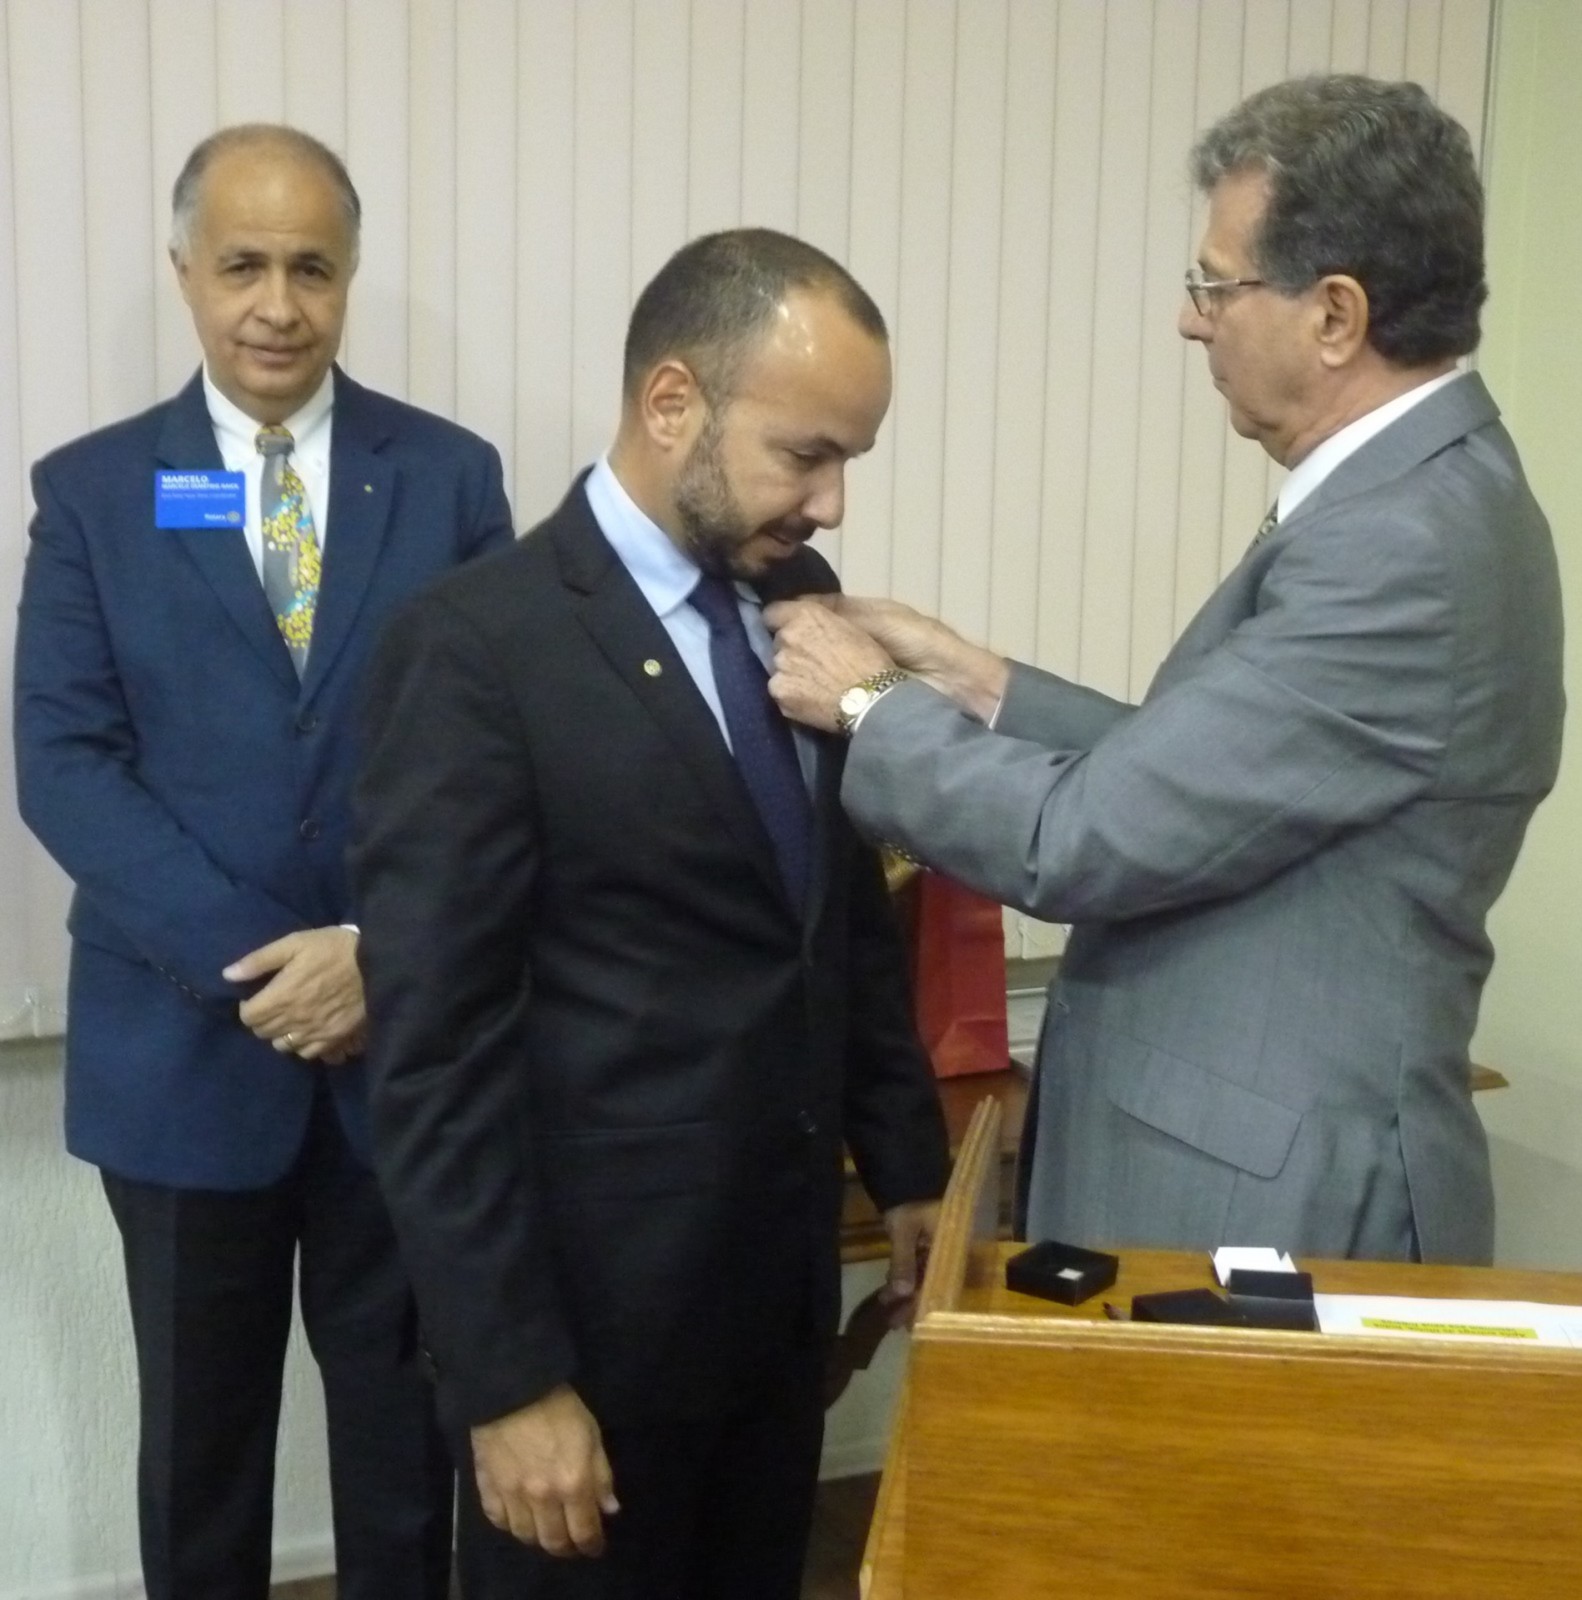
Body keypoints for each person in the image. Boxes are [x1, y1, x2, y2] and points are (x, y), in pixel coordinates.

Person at [767, 75, 1563, 1267]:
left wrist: (867, 703)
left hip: (1269, 1201)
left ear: (1334, 315)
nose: (1193, 322)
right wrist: (977, 677)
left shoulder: (1401, 543)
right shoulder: (1419, 496)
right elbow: (1219, 776)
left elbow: (1082, 839)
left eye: (1216, 286)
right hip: (1247, 1168)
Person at [350, 227, 950, 1600]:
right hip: (588, 1347)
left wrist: (907, 1166)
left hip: (774, 1314)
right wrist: (508, 1379)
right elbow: (434, 1052)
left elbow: (837, 925)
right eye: (805, 454)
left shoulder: (797, 604)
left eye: (849, 458)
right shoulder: (478, 648)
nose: (833, 501)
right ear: (671, 401)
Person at [12, 125, 515, 1600]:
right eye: (243, 266)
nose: (277, 306)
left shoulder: (448, 480)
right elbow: (65, 762)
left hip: (399, 1053)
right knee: (202, 1456)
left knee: (406, 1446)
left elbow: (494, 758)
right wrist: (266, 967)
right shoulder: (97, 493)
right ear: (185, 272)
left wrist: (373, 954)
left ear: (350, 275)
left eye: (311, 268)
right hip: (180, 1061)